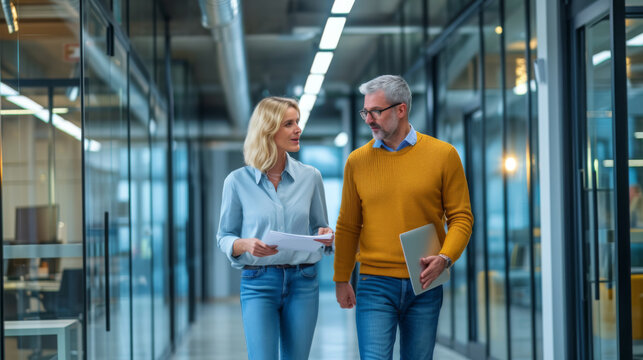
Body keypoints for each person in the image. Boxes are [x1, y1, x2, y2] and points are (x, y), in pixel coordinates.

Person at [333, 75, 473, 359]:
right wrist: (341, 278)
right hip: (374, 283)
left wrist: (445, 257)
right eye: (365, 112)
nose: (369, 119)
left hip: (425, 280)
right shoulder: (357, 162)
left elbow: (461, 217)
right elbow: (348, 225)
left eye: (376, 111)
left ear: (401, 109)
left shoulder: (444, 155)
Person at [217, 96, 334, 360]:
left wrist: (326, 235)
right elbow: (224, 236)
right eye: (289, 124)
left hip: (303, 282)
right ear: (268, 130)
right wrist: (244, 244)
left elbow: (321, 226)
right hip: (258, 283)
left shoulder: (311, 177)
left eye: (298, 122)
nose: (298, 129)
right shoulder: (237, 182)